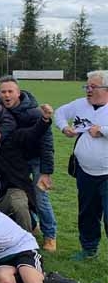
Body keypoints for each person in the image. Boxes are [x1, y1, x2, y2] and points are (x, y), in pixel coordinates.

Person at [0, 76, 57, 251]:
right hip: (18, 160)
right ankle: (33, 223)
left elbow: (47, 143)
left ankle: (50, 234)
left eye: (10, 91)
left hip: (37, 159)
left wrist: (46, 171)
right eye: (3, 92)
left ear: (18, 93)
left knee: (40, 196)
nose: (6, 95)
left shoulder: (34, 113)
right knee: (21, 192)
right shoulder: (0, 107)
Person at [54, 70, 108, 261]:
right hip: (85, 172)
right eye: (87, 86)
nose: (88, 90)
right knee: (87, 213)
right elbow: (59, 113)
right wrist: (64, 128)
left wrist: (102, 130)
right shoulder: (80, 104)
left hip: (107, 173)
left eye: (93, 87)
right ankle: (89, 249)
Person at [0, 106, 53, 232]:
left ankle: (27, 240)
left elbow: (32, 133)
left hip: (9, 190)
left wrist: (44, 120)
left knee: (19, 204)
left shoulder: (8, 139)